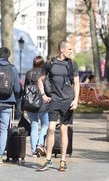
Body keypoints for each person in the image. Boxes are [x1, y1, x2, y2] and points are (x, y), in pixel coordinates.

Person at [37, 40, 80, 171]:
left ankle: (63, 160)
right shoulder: (50, 63)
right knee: (50, 128)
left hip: (68, 101)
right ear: (62, 50)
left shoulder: (72, 64)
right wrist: (43, 94)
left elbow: (76, 84)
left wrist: (76, 100)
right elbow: (40, 79)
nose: (71, 52)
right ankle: (48, 159)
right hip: (54, 100)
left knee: (63, 130)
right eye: (69, 49)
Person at [23, 56, 49, 158]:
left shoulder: (29, 73)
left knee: (34, 126)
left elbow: (24, 88)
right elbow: (47, 87)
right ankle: (40, 144)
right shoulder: (44, 74)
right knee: (45, 125)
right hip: (43, 102)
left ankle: (34, 151)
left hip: (30, 102)